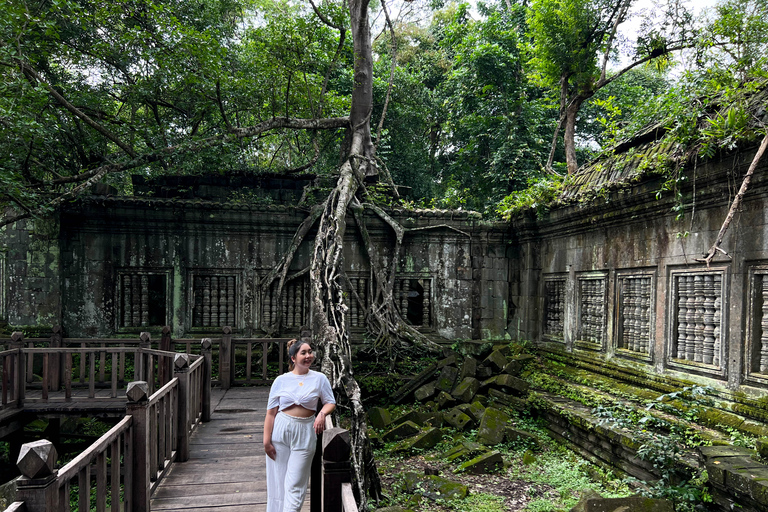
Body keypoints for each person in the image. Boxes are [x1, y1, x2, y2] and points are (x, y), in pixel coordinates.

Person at [264, 339, 336, 512]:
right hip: (281, 430)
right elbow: (271, 413)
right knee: (279, 482)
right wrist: (266, 441)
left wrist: (321, 414)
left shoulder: (319, 378)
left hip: (305, 430)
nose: (308, 356)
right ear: (293, 358)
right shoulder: (281, 380)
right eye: (303, 353)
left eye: (310, 352)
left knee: (296, 483)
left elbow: (330, 402)